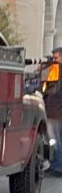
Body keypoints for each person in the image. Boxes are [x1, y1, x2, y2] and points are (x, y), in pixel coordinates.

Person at [43, 48, 62, 176]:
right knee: (57, 139)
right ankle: (56, 164)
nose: (54, 61)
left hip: (55, 112)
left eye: (56, 58)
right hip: (55, 111)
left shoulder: (57, 70)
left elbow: (49, 89)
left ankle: (57, 166)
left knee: (55, 140)